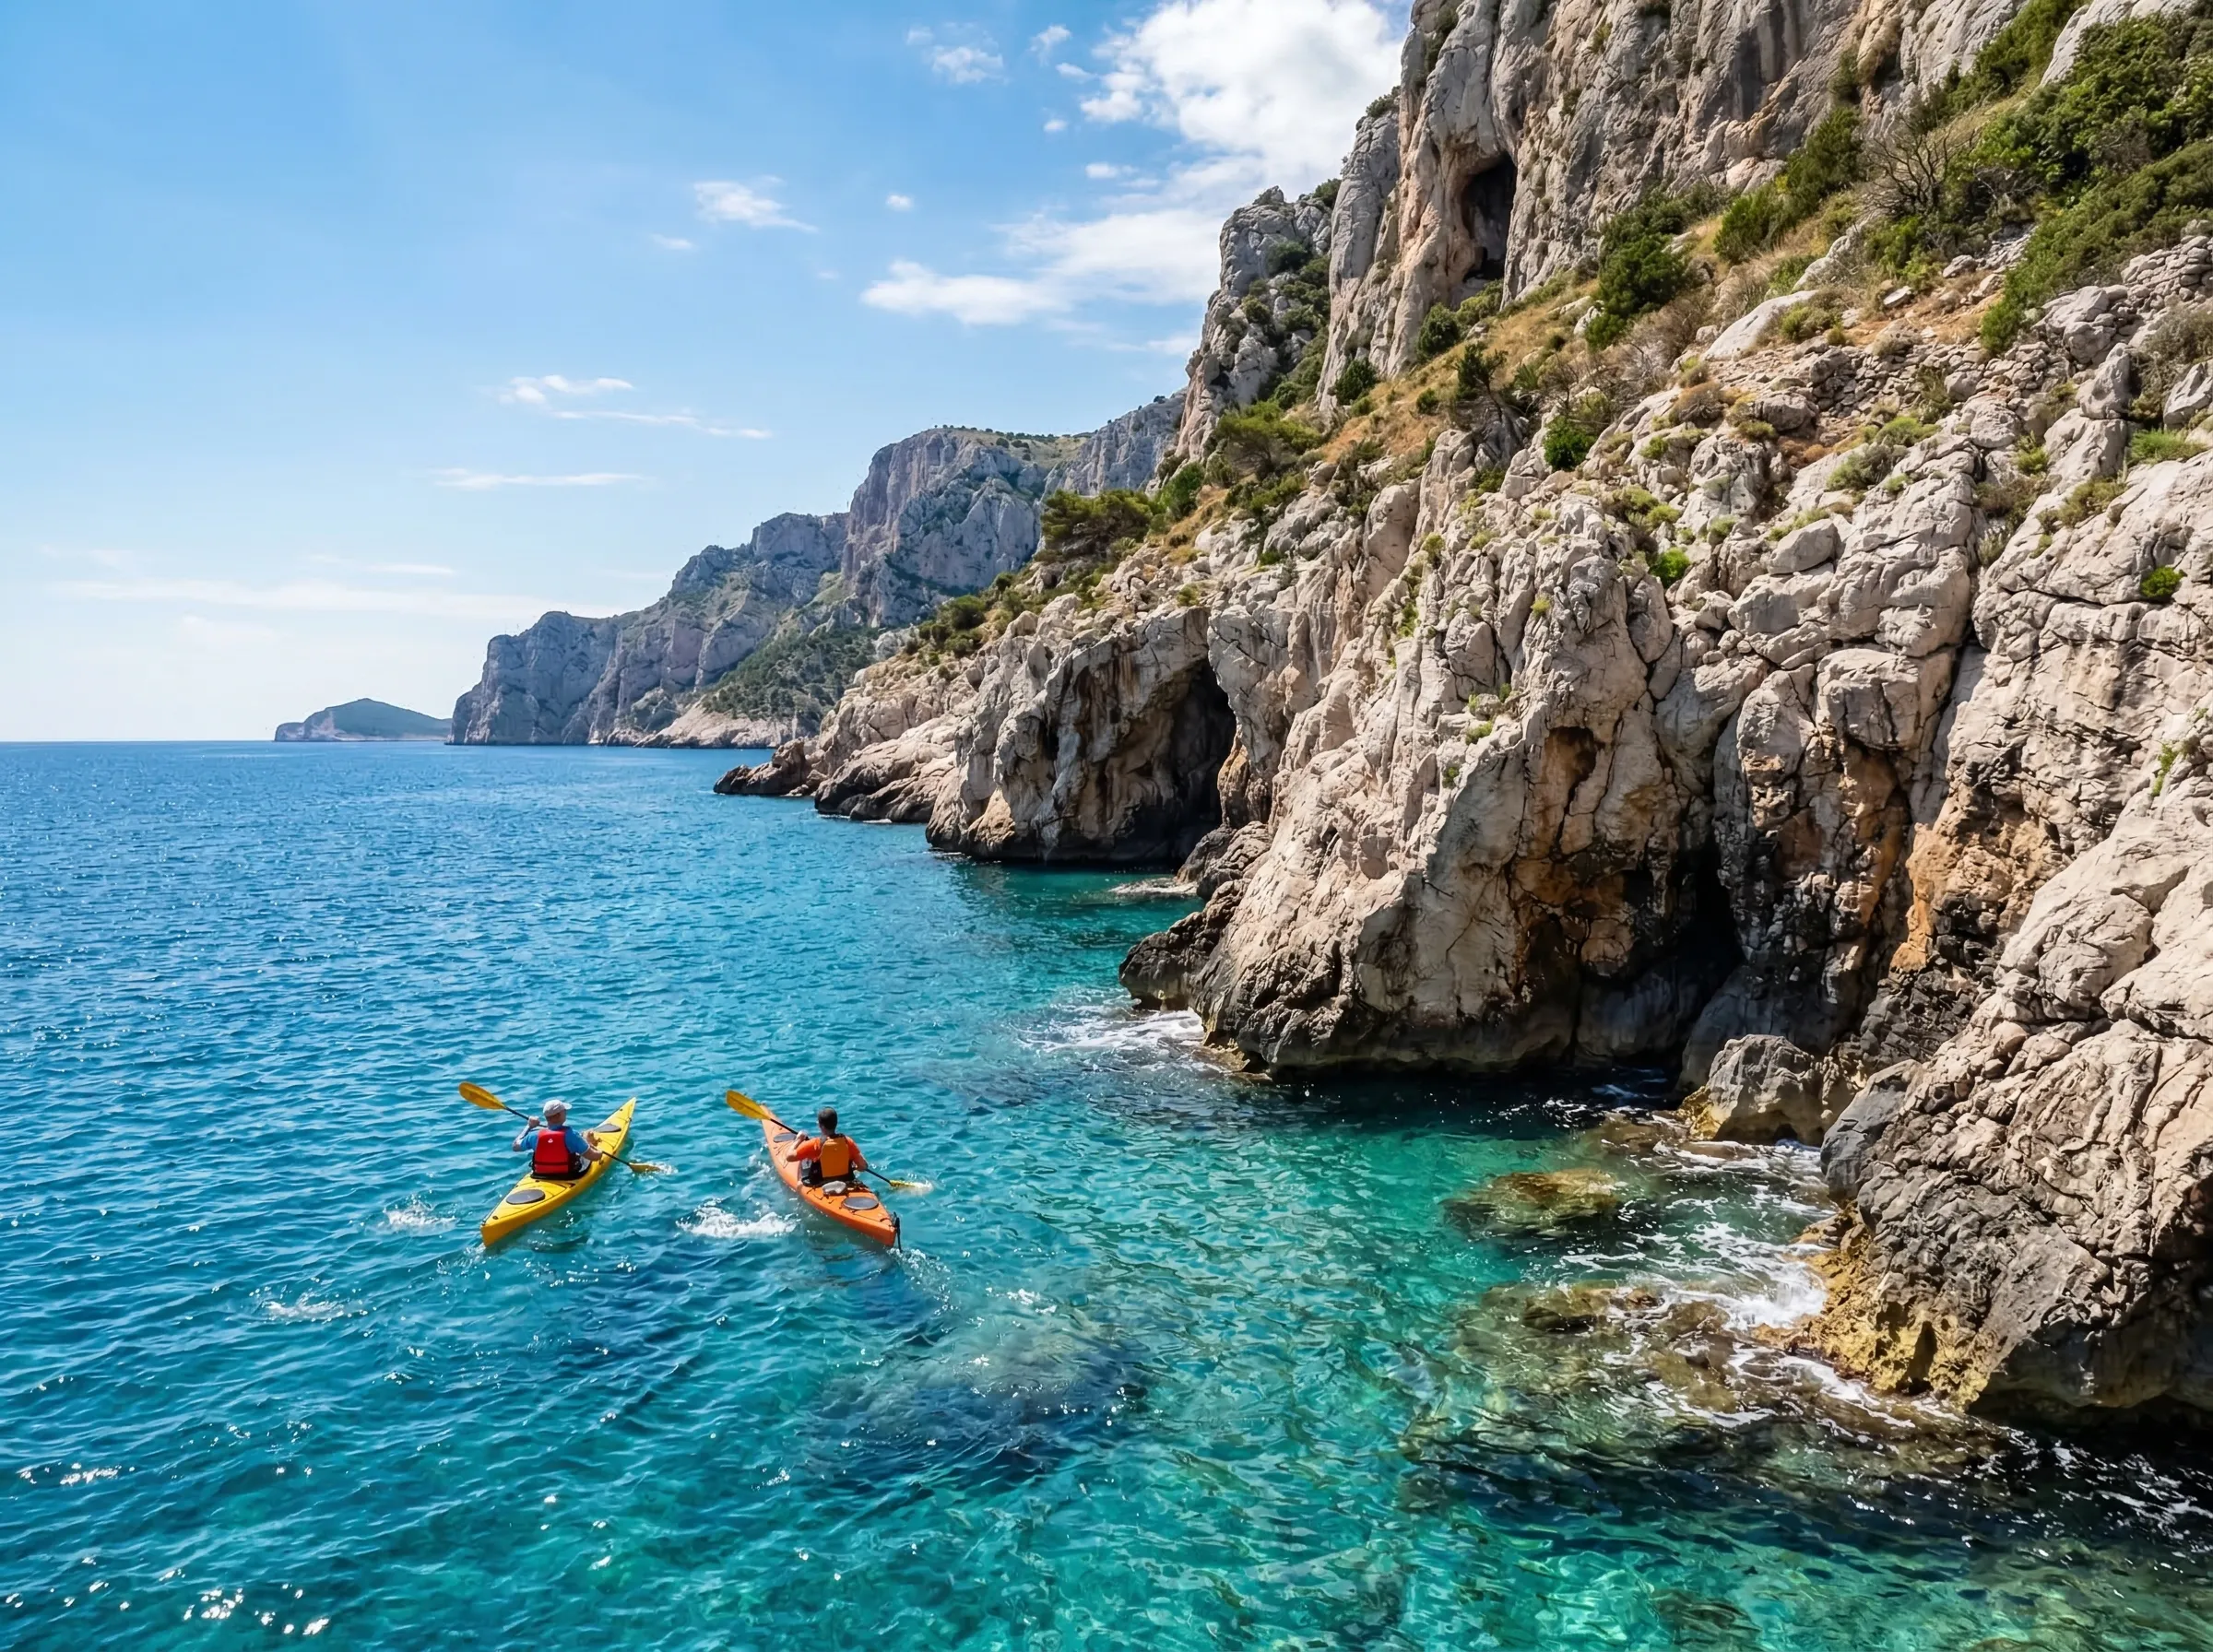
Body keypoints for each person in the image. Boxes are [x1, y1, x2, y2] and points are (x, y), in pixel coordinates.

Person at [514, 1099, 607, 1182]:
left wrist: (529, 1126)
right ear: (558, 1115)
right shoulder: (571, 1135)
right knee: (582, 1150)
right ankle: (586, 1141)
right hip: (569, 1175)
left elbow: (515, 1146)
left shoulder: (534, 1135)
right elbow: (594, 1157)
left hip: (540, 1175)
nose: (566, 1112)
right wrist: (599, 1152)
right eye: (564, 1111)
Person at [793, 1106, 868, 1189]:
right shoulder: (848, 1142)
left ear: (820, 1126)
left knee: (804, 1162)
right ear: (836, 1123)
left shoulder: (815, 1144)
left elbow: (789, 1157)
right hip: (846, 1182)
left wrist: (799, 1140)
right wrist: (854, 1167)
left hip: (820, 1183)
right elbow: (863, 1167)